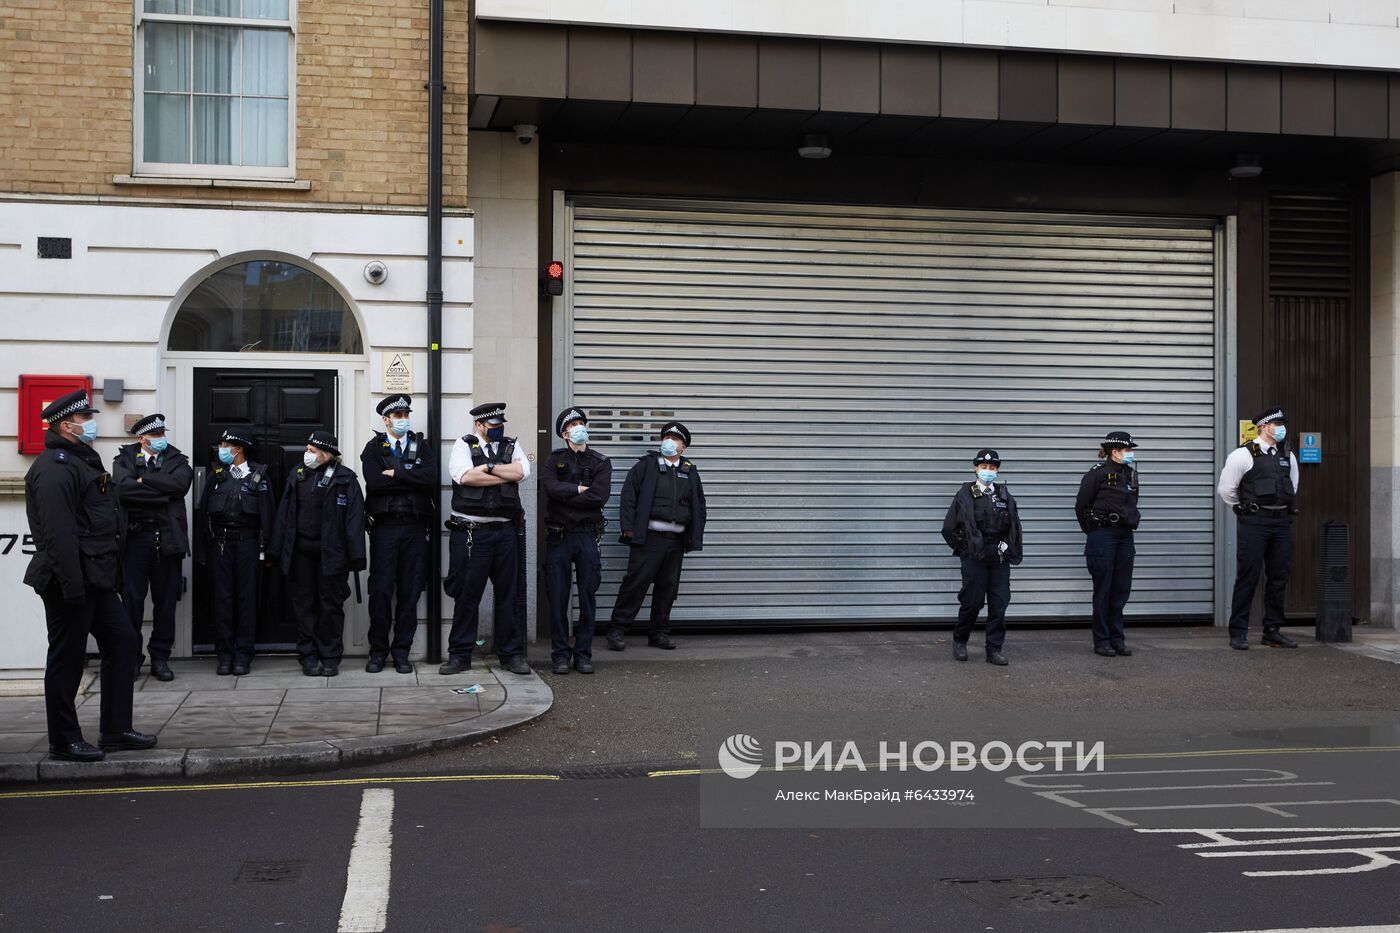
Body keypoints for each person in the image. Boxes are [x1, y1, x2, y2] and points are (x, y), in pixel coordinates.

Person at [24, 389, 155, 762]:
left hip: (94, 579)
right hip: (70, 581)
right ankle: (64, 740)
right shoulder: (54, 468)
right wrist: (72, 586)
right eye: (84, 419)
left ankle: (115, 729)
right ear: (67, 426)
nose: (91, 424)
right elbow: (59, 534)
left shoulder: (82, 460)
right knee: (67, 658)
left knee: (123, 641)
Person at [441, 402, 532, 676]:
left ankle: (510, 655)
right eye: (492, 426)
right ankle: (459, 655)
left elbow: (522, 473)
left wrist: (488, 469)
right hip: (472, 533)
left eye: (500, 425)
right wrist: (502, 473)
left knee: (508, 595)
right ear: (479, 425)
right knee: (468, 596)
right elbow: (464, 477)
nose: (498, 429)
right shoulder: (463, 445)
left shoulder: (510, 445)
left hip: (505, 533)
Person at [270, 432, 367, 677]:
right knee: (304, 605)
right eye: (307, 449)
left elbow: (355, 520)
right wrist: (276, 550)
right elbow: (284, 513)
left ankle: (331, 656)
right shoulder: (298, 475)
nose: (308, 454)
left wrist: (356, 556)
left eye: (312, 450)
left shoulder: (346, 479)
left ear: (326, 453)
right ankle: (309, 656)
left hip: (333, 555)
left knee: (330, 606)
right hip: (301, 552)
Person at [605, 421, 707, 652]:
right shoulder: (646, 466)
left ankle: (659, 634)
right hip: (649, 538)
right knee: (635, 585)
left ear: (684, 447)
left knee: (667, 589)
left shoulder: (689, 471)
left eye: (675, 439)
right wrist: (628, 527)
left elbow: (699, 504)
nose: (669, 442)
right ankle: (617, 630)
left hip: (676, 542)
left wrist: (694, 535)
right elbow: (628, 496)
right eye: (666, 437)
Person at [360, 394, 437, 674]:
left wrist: (397, 472)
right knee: (381, 591)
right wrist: (408, 476)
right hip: (386, 528)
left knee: (410, 591)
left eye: (406, 415)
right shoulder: (373, 448)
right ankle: (378, 651)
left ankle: (401, 652)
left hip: (416, 528)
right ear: (386, 420)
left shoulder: (421, 445)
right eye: (398, 416)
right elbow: (375, 483)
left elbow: (429, 478)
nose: (403, 420)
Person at [113, 412, 192, 682]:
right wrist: (162, 494)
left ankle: (160, 657)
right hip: (134, 540)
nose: (161, 439)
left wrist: (144, 481)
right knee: (131, 603)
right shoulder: (123, 459)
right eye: (155, 436)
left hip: (166, 540)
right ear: (141, 438)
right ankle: (132, 658)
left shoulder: (178, 460)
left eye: (162, 434)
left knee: (165, 602)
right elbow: (122, 490)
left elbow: (180, 485)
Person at [1218, 407, 1300, 650]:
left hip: (1281, 523)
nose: (1281, 427)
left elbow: (1293, 486)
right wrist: (1244, 508)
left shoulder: (1288, 454)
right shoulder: (1242, 455)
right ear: (1264, 426)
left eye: (1282, 423)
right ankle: (1238, 631)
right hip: (1255, 523)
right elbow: (1226, 490)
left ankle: (1272, 630)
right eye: (1277, 423)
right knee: (1248, 576)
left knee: (1278, 577)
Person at [541, 406, 612, 675]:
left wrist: (567, 494)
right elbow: (550, 488)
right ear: (564, 433)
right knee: (558, 598)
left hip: (586, 536)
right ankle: (560, 655)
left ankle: (583, 655)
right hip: (559, 537)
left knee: (587, 596)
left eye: (582, 422)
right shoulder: (554, 459)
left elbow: (599, 497)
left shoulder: (600, 462)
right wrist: (579, 489)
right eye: (574, 424)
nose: (579, 427)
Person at [197, 430, 274, 675]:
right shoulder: (216, 476)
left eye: (225, 445)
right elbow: (202, 516)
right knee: (222, 600)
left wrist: (269, 550)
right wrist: (201, 549)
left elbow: (268, 515)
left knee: (246, 599)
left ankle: (243, 654)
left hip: (248, 544)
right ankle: (224, 654)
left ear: (238, 449)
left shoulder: (259, 477)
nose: (221, 449)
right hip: (221, 544)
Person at [941, 449, 1023, 666]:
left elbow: (1013, 526)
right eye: (984, 467)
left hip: (998, 556)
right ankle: (960, 640)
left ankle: (994, 649)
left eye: (992, 468)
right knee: (972, 602)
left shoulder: (1004, 496)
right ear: (976, 468)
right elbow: (948, 528)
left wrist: (1007, 546)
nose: (988, 471)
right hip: (974, 557)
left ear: (997, 470)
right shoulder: (964, 495)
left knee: (999, 603)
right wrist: (966, 549)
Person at [1075, 431, 1141, 658]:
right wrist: (1094, 532)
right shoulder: (1097, 474)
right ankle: (1102, 641)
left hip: (1124, 536)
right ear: (1115, 452)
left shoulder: (1131, 474)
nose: (1131, 454)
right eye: (1128, 450)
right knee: (1103, 590)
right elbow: (1082, 505)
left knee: (1121, 589)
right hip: (1103, 535)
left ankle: (1117, 639)